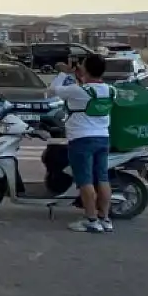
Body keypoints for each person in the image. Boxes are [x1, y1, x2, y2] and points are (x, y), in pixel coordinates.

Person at [54, 53, 115, 233]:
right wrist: (81, 76)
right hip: (103, 138)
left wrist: (64, 73)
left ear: (85, 69)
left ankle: (91, 219)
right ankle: (105, 218)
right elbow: (90, 89)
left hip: (81, 140)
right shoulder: (111, 90)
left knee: (85, 180)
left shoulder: (77, 90)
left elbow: (53, 90)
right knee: (102, 178)